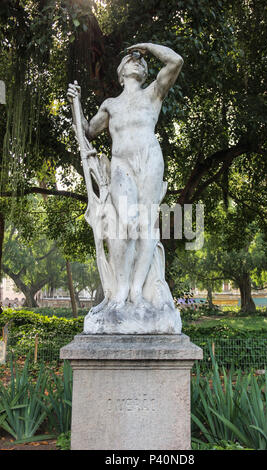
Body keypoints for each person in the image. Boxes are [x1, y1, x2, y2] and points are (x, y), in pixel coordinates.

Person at [67, 43, 183, 309]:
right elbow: (87, 131)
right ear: (120, 75)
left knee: (146, 226)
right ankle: (119, 290)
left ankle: (136, 291)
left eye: (141, 61)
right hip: (121, 164)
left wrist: (146, 47)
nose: (137, 61)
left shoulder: (154, 93)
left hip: (150, 160)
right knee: (124, 225)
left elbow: (175, 61)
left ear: (145, 73)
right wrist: (77, 102)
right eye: (130, 60)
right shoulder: (110, 105)